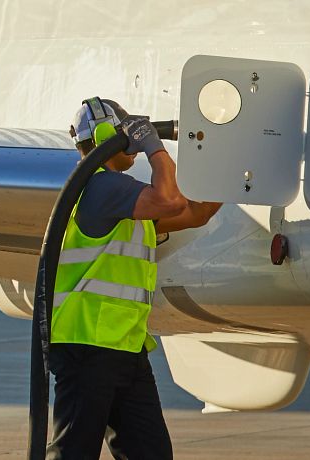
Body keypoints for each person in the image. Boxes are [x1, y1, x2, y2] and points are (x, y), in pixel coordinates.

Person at [47, 97, 225, 460]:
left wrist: (228, 164)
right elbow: (170, 201)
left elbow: (196, 212)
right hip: (89, 346)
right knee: (72, 454)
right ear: (105, 135)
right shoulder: (101, 187)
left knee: (150, 453)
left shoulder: (123, 200)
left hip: (124, 346)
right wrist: (153, 146)